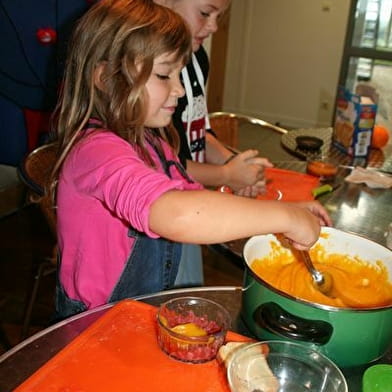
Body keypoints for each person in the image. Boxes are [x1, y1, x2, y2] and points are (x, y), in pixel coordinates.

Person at [51, 0, 331, 320]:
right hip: (95, 324)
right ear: (105, 77)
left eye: (179, 75)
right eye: (163, 75)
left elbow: (193, 200)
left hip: (141, 312)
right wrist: (285, 218)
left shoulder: (152, 139)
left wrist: (282, 211)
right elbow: (177, 213)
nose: (180, 90)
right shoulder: (96, 151)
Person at [156, 0, 272, 287]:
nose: (214, 26)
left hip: (189, 199)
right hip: (163, 217)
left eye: (220, 16)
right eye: (205, 13)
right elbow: (167, 162)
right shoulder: (155, 70)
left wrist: (234, 164)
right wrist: (226, 176)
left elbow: (198, 131)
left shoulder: (197, 59)